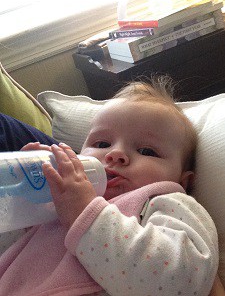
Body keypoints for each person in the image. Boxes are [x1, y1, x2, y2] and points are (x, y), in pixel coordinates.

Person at [0, 78, 219, 296]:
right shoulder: (53, 200)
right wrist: (23, 196)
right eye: (102, 144)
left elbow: (182, 279)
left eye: (146, 151)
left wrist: (86, 215)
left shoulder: (166, 201)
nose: (115, 154)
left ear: (184, 181)